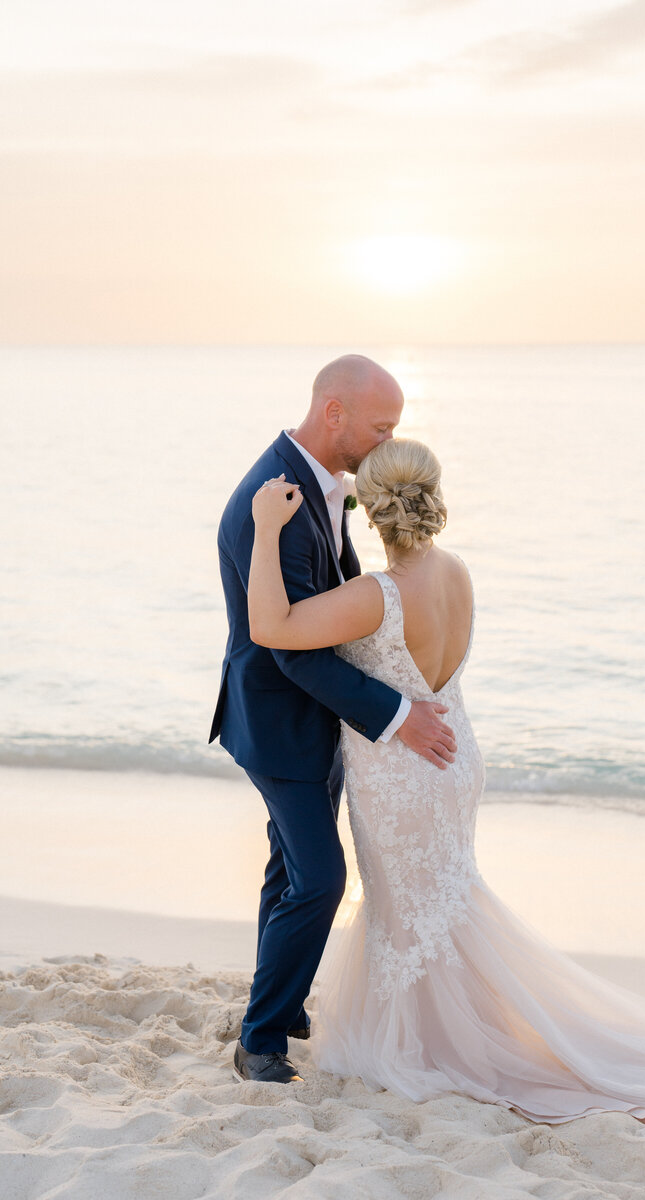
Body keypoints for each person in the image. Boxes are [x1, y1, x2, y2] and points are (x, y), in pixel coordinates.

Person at [247, 436, 645, 1151]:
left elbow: (272, 626)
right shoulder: (456, 573)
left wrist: (265, 531)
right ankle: (466, 1024)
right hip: (454, 758)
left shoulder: (374, 597)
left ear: (370, 509)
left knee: (415, 907)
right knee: (444, 899)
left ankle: (460, 1047)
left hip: (404, 773)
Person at [209, 357, 456, 1085]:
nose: (387, 442)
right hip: (280, 722)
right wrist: (398, 715)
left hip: (312, 721)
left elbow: (336, 599)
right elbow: (289, 651)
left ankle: (279, 1006)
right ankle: (260, 1041)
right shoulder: (275, 499)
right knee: (319, 878)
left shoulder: (322, 482)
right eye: (381, 428)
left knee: (289, 864)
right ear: (334, 414)